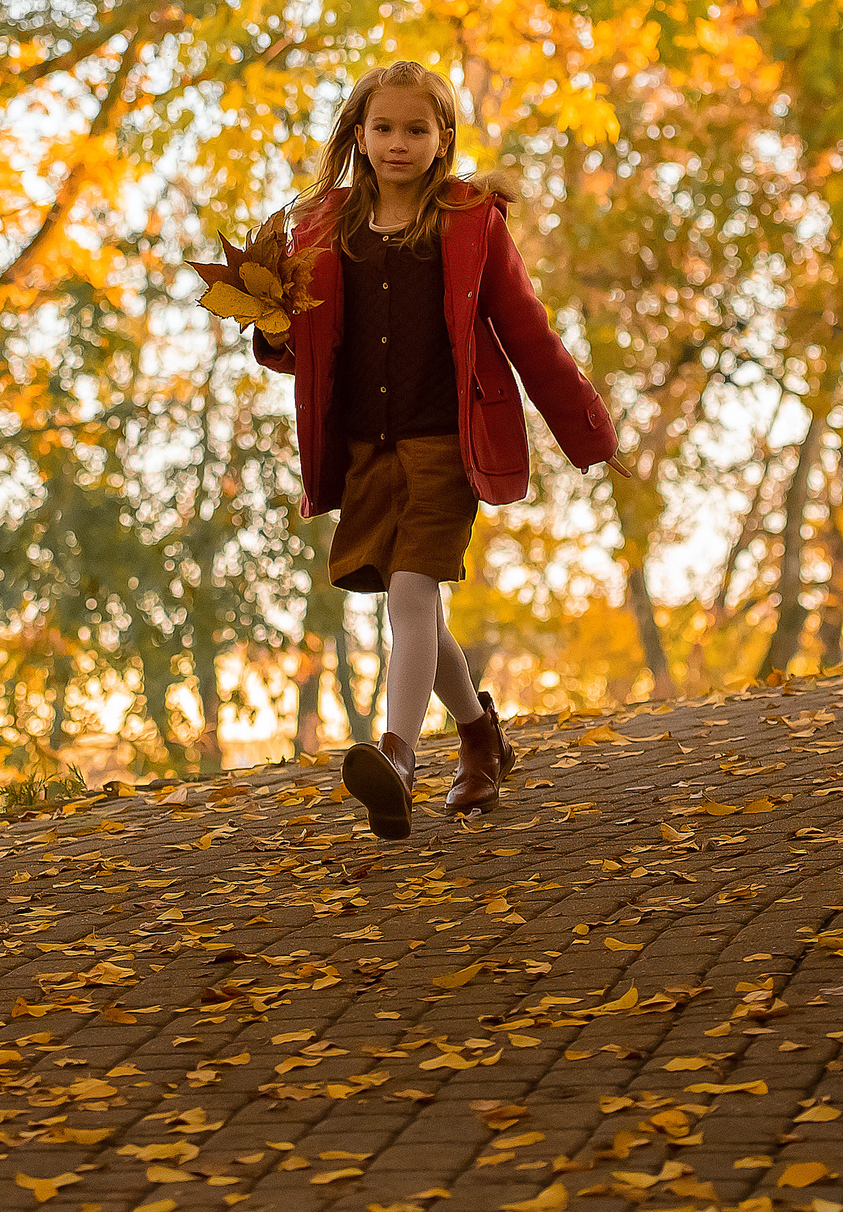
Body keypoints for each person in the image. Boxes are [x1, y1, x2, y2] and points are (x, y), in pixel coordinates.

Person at [254, 62, 619, 839]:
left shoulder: (471, 222)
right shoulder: (323, 224)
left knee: (411, 596)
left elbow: (529, 335)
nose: (398, 142)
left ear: (442, 138)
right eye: (383, 127)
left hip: (447, 442)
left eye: (416, 129)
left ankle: (397, 757)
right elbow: (305, 348)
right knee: (418, 609)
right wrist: (274, 331)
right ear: (359, 133)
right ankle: (482, 739)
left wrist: (590, 433)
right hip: (363, 447)